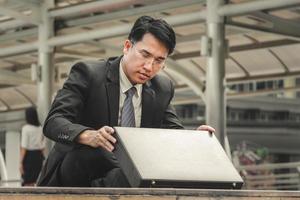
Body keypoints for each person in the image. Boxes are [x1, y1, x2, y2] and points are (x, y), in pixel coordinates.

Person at [37, 15, 215, 187]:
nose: (149, 67)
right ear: (127, 46)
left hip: (123, 175)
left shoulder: (162, 88)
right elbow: (53, 123)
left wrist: (194, 138)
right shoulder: (89, 74)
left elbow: (172, 133)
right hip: (77, 170)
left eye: (159, 61)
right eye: (145, 54)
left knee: (140, 173)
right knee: (109, 162)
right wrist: (88, 135)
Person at [20, 106, 45, 186]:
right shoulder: (40, 128)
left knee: (27, 181)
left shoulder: (26, 128)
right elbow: (42, 146)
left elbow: (24, 146)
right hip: (39, 156)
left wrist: (20, 162)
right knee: (35, 181)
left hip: (29, 156)